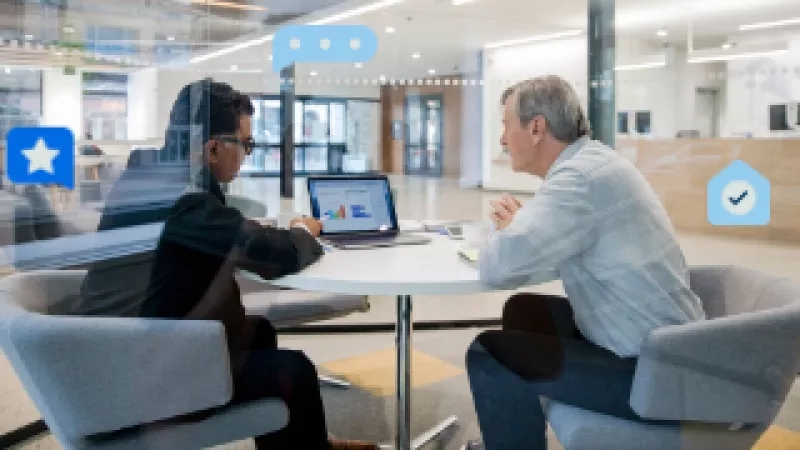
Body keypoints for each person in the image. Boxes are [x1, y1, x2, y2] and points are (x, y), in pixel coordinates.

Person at [78, 78, 378, 450]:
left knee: (259, 331)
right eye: (246, 144)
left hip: (118, 348)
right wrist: (304, 233)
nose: (248, 154)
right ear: (214, 148)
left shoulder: (150, 177)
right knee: (295, 369)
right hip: (134, 375)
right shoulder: (182, 198)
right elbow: (270, 256)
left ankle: (306, 443)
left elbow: (223, 240)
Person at [463, 75, 706, 450]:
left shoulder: (578, 180)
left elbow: (499, 267)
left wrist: (506, 232)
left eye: (505, 125)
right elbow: (541, 242)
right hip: (658, 349)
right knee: (524, 309)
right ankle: (512, 434)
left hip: (651, 374)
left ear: (537, 128)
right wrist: (520, 230)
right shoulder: (592, 165)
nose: (501, 137)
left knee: (489, 355)